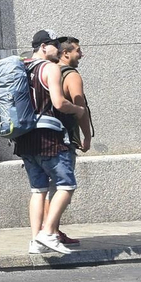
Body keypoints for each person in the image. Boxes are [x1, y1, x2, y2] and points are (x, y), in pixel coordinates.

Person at [13, 30, 87, 256]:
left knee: (38, 190)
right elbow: (58, 102)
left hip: (24, 138)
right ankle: (48, 232)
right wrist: (77, 109)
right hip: (49, 138)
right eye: (54, 45)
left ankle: (36, 241)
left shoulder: (22, 68)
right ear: (43, 47)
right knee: (66, 185)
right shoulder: (50, 68)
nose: (58, 49)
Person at [51, 37, 93, 248]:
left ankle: (50, 230)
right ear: (65, 53)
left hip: (42, 139)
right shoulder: (71, 75)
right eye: (77, 50)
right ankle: (51, 232)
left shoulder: (47, 72)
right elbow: (80, 108)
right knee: (64, 187)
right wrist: (87, 136)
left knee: (45, 190)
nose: (81, 54)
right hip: (64, 139)